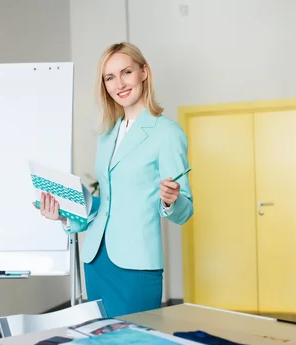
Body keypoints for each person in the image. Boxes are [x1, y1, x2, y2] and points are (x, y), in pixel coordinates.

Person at [37, 42, 193, 317]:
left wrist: (172, 200)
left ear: (143, 73)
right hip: (96, 261)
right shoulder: (107, 134)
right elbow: (109, 203)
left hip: (135, 265)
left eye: (126, 72)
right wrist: (65, 213)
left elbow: (184, 210)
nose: (119, 83)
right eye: (110, 77)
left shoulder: (167, 133)